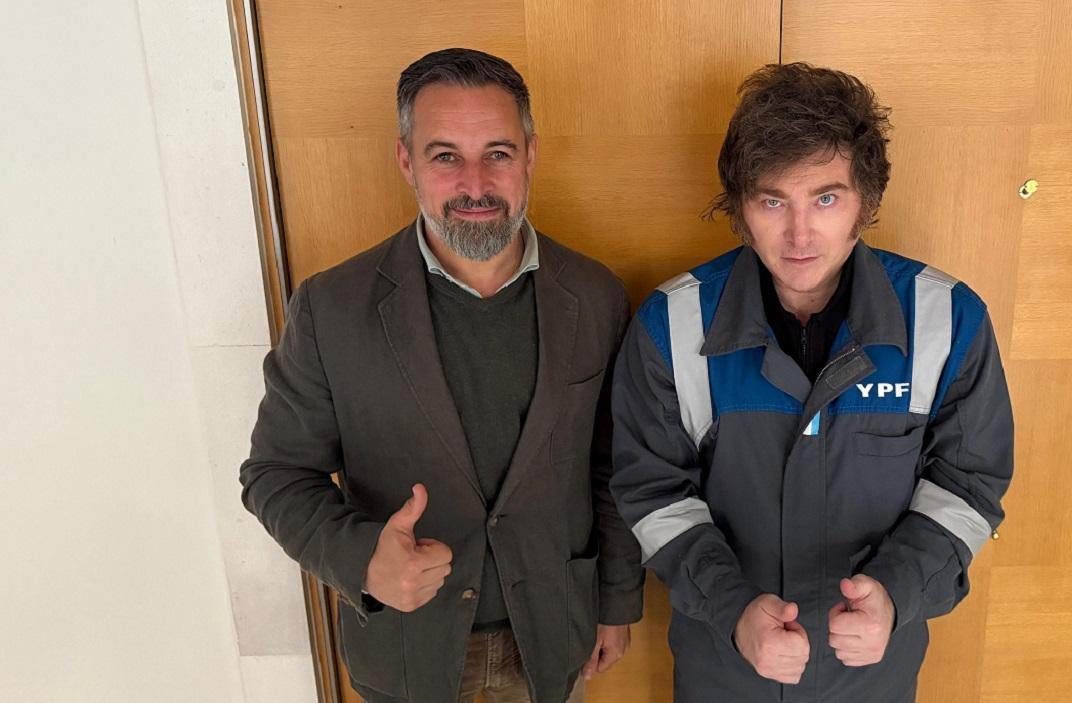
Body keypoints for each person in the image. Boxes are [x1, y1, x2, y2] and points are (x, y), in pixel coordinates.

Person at [241, 48, 643, 703]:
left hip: (554, 640)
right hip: (406, 652)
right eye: (445, 155)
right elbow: (275, 475)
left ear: (531, 155)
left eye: (498, 152)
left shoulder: (597, 297)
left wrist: (620, 596)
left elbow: (614, 463)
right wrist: (361, 557)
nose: (475, 183)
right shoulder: (330, 308)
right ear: (406, 160)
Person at [609, 62, 1014, 702]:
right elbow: (654, 496)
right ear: (741, 206)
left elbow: (968, 486)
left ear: (867, 199)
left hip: (873, 669)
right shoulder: (671, 323)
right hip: (724, 661)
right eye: (773, 200)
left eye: (826, 197)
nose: (800, 234)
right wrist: (734, 607)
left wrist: (897, 591)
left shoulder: (949, 318)